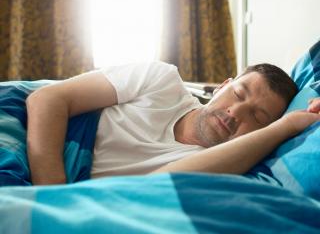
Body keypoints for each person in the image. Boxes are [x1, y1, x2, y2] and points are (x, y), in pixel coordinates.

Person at [25, 61, 320, 185]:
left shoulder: (223, 163)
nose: (235, 114)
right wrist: (52, 193)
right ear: (221, 86)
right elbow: (45, 100)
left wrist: (289, 125)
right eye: (238, 94)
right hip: (32, 144)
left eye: (257, 117)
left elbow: (158, 184)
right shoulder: (161, 80)